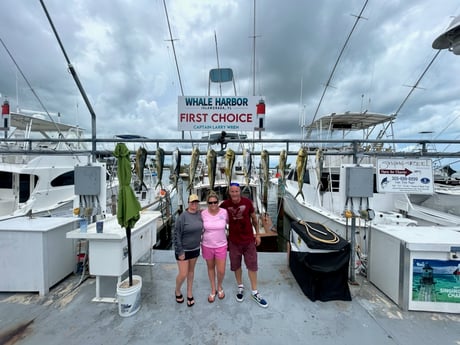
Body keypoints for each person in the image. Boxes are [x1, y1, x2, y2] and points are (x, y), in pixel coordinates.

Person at [220, 182, 268, 308]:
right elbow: (214, 212)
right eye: (232, 191)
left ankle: (254, 292)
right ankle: (240, 287)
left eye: (236, 191)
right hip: (234, 241)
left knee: (252, 266)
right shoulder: (225, 205)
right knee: (236, 266)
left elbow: (254, 219)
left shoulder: (247, 202)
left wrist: (257, 235)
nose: (234, 193)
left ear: (239, 192)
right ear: (229, 192)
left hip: (248, 241)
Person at [173, 194, 202, 307]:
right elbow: (176, 234)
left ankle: (189, 292)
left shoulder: (200, 215)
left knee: (191, 272)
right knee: (183, 273)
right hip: (183, 250)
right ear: (188, 203)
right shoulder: (183, 217)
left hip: (195, 249)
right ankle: (177, 290)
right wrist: (180, 251)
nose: (194, 204)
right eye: (192, 202)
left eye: (196, 202)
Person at [201, 191, 228, 303]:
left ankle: (219, 286)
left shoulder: (224, 212)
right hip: (207, 245)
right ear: (207, 203)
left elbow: (233, 224)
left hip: (221, 245)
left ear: (218, 202)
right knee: (210, 268)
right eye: (210, 203)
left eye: (215, 202)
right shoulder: (203, 213)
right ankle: (213, 288)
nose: (213, 205)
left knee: (221, 270)